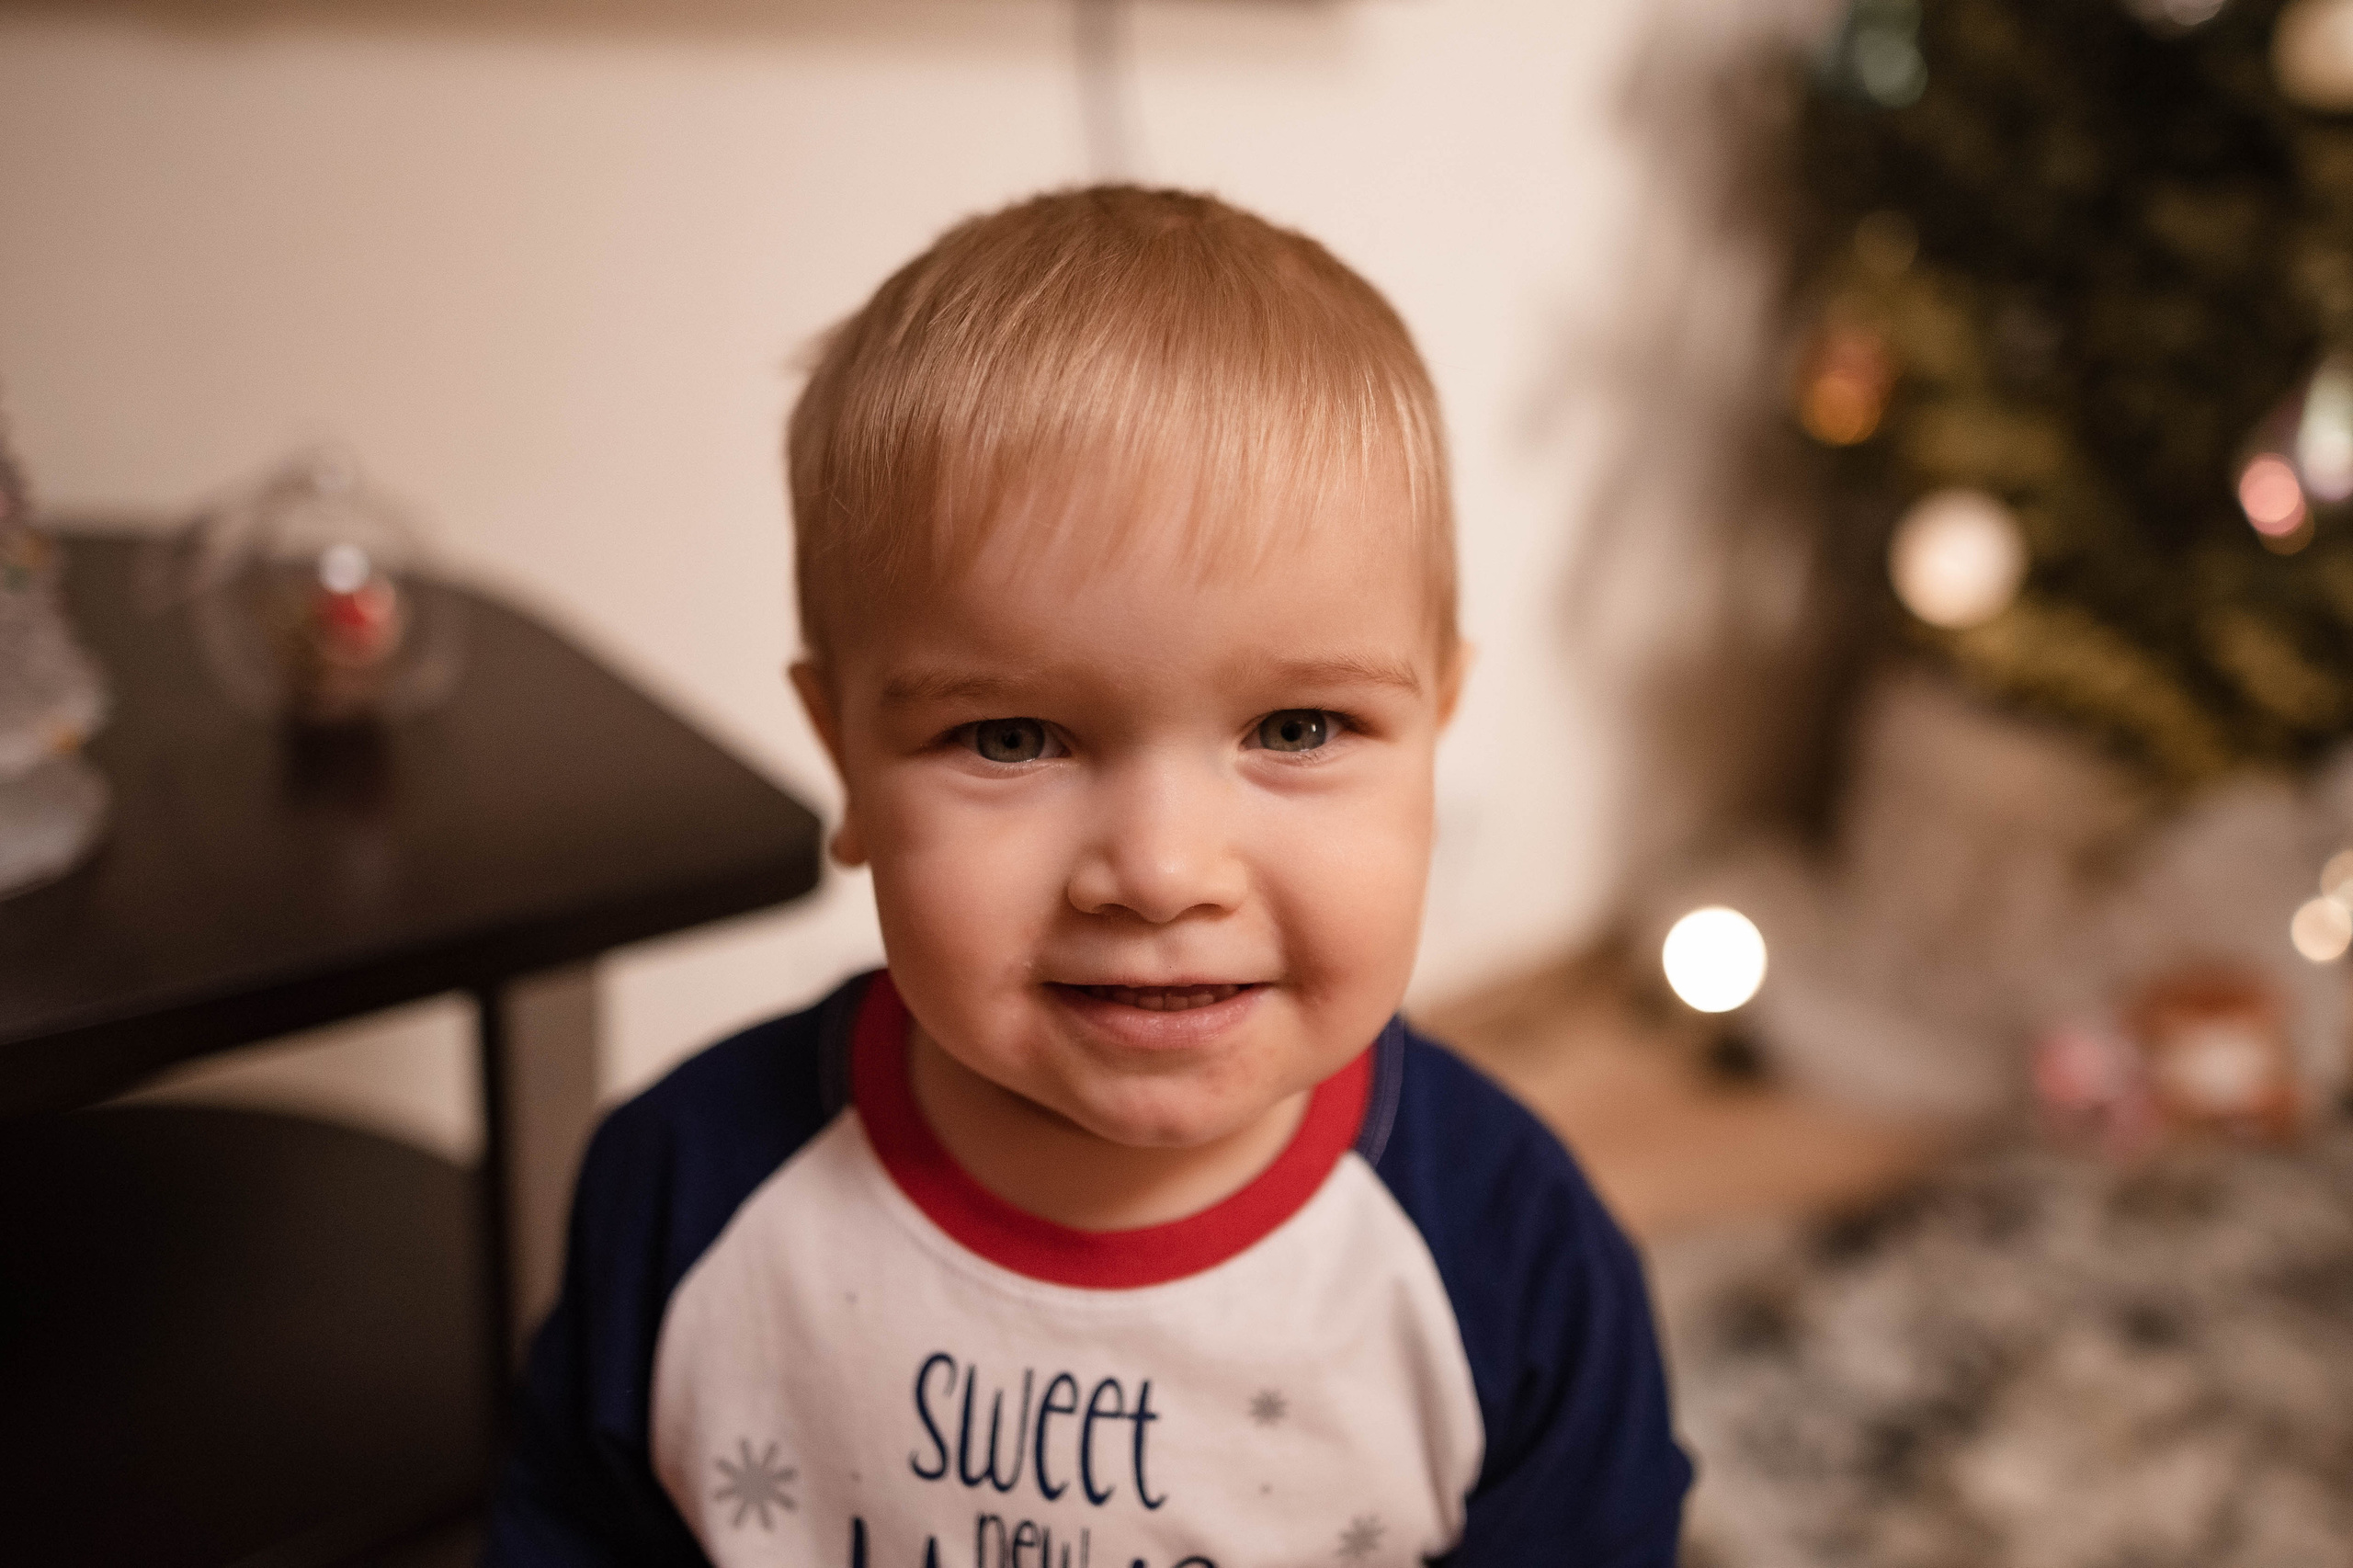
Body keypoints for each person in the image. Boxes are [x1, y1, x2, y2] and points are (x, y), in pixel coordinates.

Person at [487, 185, 1690, 1568]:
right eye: (1012, 737)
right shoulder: (690, 1192)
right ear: (846, 761)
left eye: (1300, 728)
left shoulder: (1512, 1250)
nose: (1162, 874)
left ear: (1437, 725)